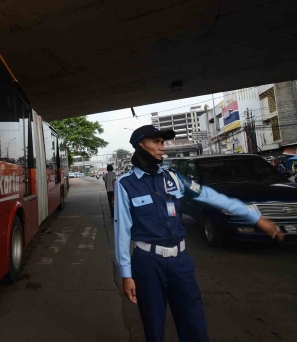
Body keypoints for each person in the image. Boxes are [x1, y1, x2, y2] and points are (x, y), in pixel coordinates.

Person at [114, 125, 283, 342]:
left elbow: (211, 196)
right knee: (153, 324)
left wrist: (255, 218)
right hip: (147, 263)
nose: (162, 148)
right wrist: (126, 273)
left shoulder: (173, 178)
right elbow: (122, 230)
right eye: (157, 142)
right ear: (140, 144)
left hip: (180, 261)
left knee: (193, 321)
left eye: (163, 143)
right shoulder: (125, 184)